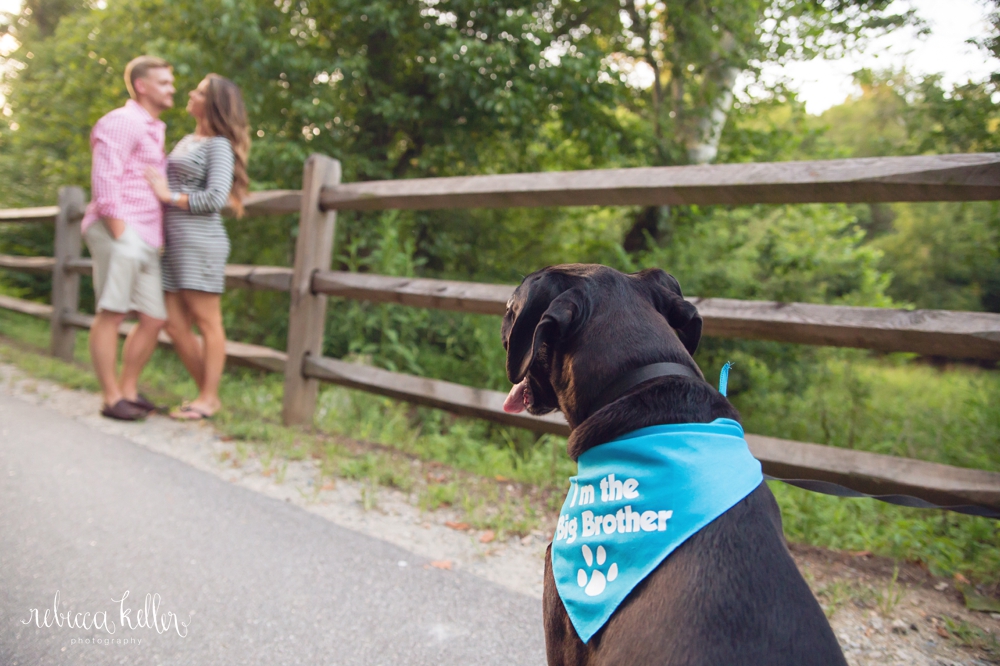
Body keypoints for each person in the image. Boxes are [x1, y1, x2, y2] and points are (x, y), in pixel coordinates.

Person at [144, 74, 250, 420]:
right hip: (174, 244)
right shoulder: (188, 139)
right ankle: (208, 394)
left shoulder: (218, 145)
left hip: (201, 243)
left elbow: (216, 197)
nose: (191, 93)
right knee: (173, 325)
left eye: (201, 92)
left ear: (214, 104)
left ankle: (208, 398)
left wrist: (168, 196)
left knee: (208, 322)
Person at [81, 55, 174, 421]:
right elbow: (106, 176)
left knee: (153, 318)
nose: (172, 89)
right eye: (164, 82)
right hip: (121, 229)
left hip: (146, 236)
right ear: (142, 85)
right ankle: (110, 398)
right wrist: (121, 233)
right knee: (112, 312)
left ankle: (129, 391)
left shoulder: (154, 128)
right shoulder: (122, 121)